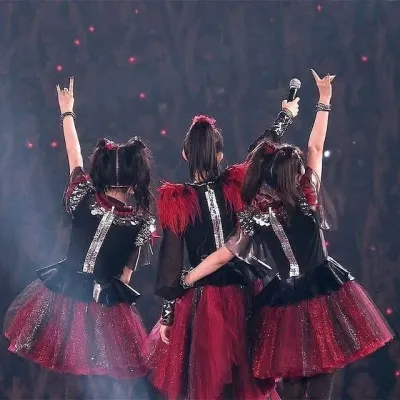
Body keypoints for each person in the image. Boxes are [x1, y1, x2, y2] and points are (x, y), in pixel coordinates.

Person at [182, 70, 394, 400]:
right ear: (294, 175)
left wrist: (189, 276)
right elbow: (315, 146)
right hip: (322, 290)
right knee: (318, 383)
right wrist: (324, 100)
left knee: (293, 384)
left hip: (285, 302)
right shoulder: (307, 198)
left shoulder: (257, 213)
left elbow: (226, 252)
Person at [146, 95, 299, 400]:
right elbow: (261, 152)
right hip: (245, 292)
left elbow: (171, 262)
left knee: (209, 386)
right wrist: (286, 115)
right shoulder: (237, 184)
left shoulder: (177, 200)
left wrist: (168, 313)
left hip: (203, 299)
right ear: (219, 156)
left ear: (185, 154)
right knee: (245, 381)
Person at [3, 78, 155, 380]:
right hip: (104, 305)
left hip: (65, 292)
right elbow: (125, 278)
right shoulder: (139, 222)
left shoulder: (84, 197)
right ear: (133, 181)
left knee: (64, 370)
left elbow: (74, 157)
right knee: (96, 375)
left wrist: (67, 112)